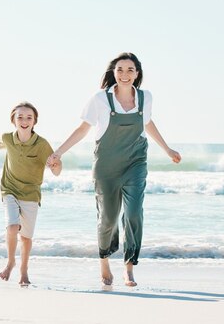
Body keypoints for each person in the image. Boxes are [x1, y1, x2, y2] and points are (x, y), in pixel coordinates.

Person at [47, 52, 180, 287]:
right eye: (120, 70)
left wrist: (167, 150)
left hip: (135, 164)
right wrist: (59, 152)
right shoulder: (100, 99)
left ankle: (129, 268)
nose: (125, 74)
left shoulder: (145, 97)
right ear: (113, 72)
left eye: (130, 70)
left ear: (137, 74)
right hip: (106, 166)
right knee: (108, 218)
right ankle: (104, 261)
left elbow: (147, 123)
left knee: (133, 214)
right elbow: (82, 129)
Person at [0, 101, 62, 285]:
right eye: (20, 116)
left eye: (29, 117)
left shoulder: (42, 144)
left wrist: (55, 165)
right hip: (9, 189)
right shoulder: (8, 138)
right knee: (12, 227)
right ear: (13, 119)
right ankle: (11, 261)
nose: (24, 120)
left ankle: (24, 269)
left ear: (34, 121)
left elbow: (57, 171)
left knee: (26, 238)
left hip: (31, 194)